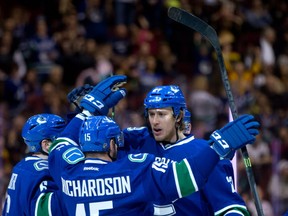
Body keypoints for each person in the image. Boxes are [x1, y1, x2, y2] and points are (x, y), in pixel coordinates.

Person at [45, 111, 258, 215]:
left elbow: (60, 144)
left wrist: (86, 110)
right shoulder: (131, 170)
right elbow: (185, 178)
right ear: (111, 145)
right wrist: (218, 147)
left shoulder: (66, 172)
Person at [118, 85, 254, 215]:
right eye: (151, 114)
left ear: (178, 116)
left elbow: (229, 208)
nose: (154, 121)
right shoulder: (140, 143)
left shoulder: (207, 153)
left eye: (161, 114)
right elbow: (102, 155)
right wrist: (97, 111)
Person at [1, 113, 66, 215]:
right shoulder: (46, 172)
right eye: (61, 139)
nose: (67, 143)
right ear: (46, 145)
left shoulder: (20, 166)